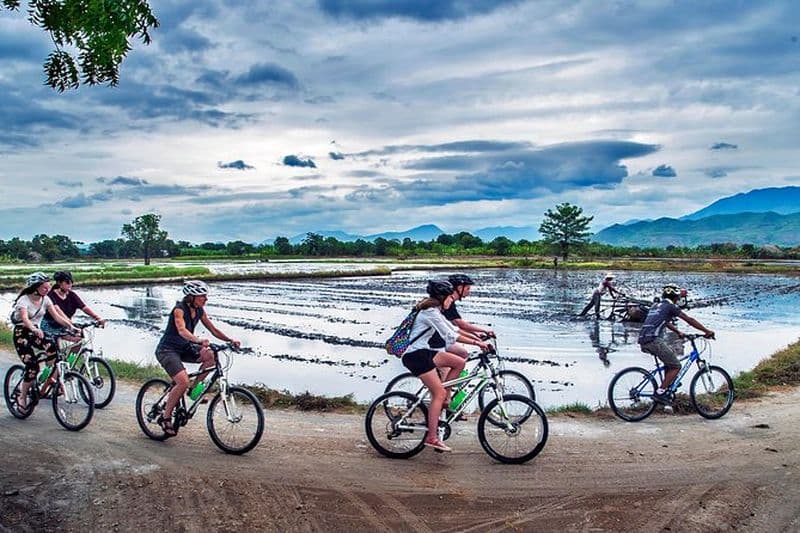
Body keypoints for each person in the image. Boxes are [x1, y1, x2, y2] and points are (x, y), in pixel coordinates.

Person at [401, 280, 490, 452]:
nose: (451, 301)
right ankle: (432, 437)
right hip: (416, 356)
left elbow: (455, 330)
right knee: (438, 393)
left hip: (425, 353)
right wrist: (477, 343)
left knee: (459, 362)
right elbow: (450, 335)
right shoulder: (430, 313)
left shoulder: (436, 311)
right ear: (443, 297)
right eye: (450, 297)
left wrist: (478, 339)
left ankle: (446, 395)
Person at [154, 280, 241, 437]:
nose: (206, 299)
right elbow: (181, 330)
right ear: (192, 297)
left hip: (185, 348)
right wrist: (199, 340)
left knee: (211, 356)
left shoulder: (200, 311)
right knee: (182, 381)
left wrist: (229, 340)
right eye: (202, 296)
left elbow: (213, 329)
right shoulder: (179, 310)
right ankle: (165, 418)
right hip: (167, 350)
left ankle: (194, 389)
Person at [10, 272, 77, 414]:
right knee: (32, 366)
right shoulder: (24, 300)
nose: (48, 290)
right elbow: (25, 319)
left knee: (54, 350)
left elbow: (57, 317)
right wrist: (34, 328)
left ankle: (48, 380)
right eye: (45, 287)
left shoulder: (46, 300)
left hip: (36, 333)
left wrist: (71, 326)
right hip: (22, 333)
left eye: (48, 287)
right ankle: (22, 396)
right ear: (35, 287)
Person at [638, 284, 715, 405]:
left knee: (669, 360)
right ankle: (660, 393)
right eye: (678, 297)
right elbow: (689, 320)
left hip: (643, 339)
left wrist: (678, 332)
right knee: (676, 366)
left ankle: (666, 387)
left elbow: (665, 322)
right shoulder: (670, 306)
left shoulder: (656, 306)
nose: (679, 299)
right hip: (654, 340)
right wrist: (707, 331)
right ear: (675, 297)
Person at [40, 270, 106, 345]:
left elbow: (84, 307)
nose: (70, 285)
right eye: (67, 283)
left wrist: (98, 318)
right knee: (54, 349)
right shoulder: (51, 295)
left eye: (71, 282)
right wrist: (70, 324)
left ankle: (74, 356)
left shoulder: (72, 295)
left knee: (80, 339)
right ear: (59, 283)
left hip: (65, 325)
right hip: (50, 326)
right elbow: (58, 311)